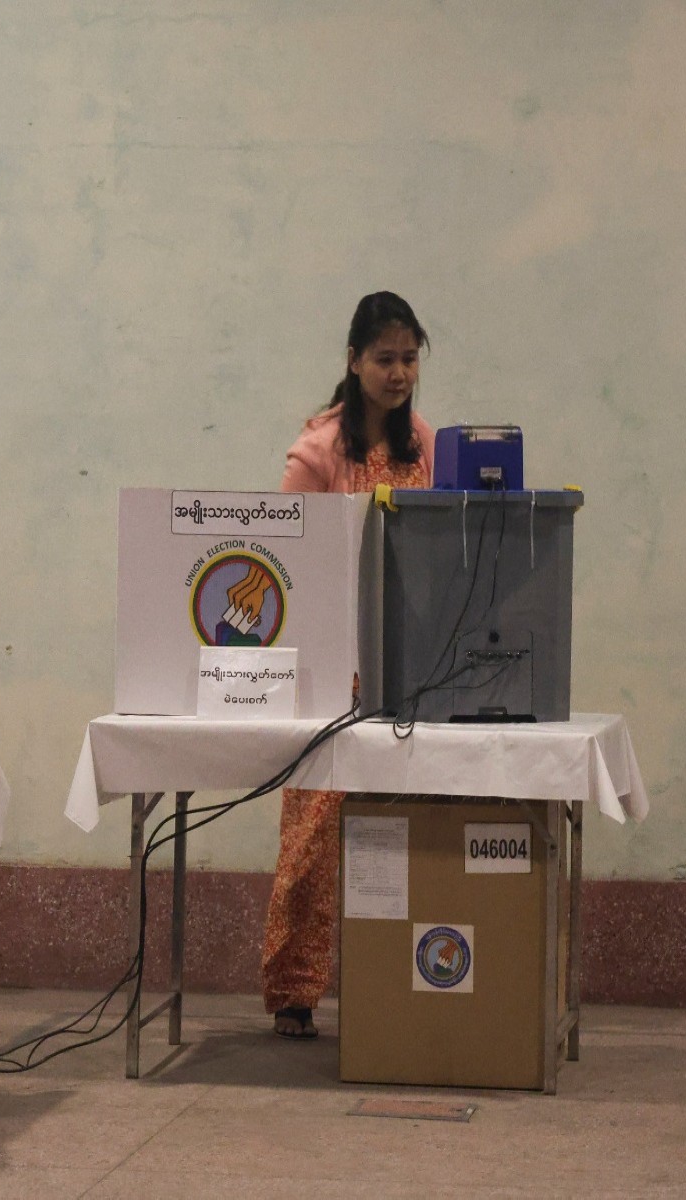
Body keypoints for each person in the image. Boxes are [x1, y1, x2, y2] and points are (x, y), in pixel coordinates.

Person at [262, 291, 437, 1040]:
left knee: (407, 828)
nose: (399, 374)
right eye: (385, 359)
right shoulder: (317, 452)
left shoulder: (425, 446)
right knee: (312, 839)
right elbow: (289, 564)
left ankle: (405, 981)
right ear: (354, 361)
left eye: (409, 360)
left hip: (410, 668)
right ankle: (294, 990)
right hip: (331, 672)